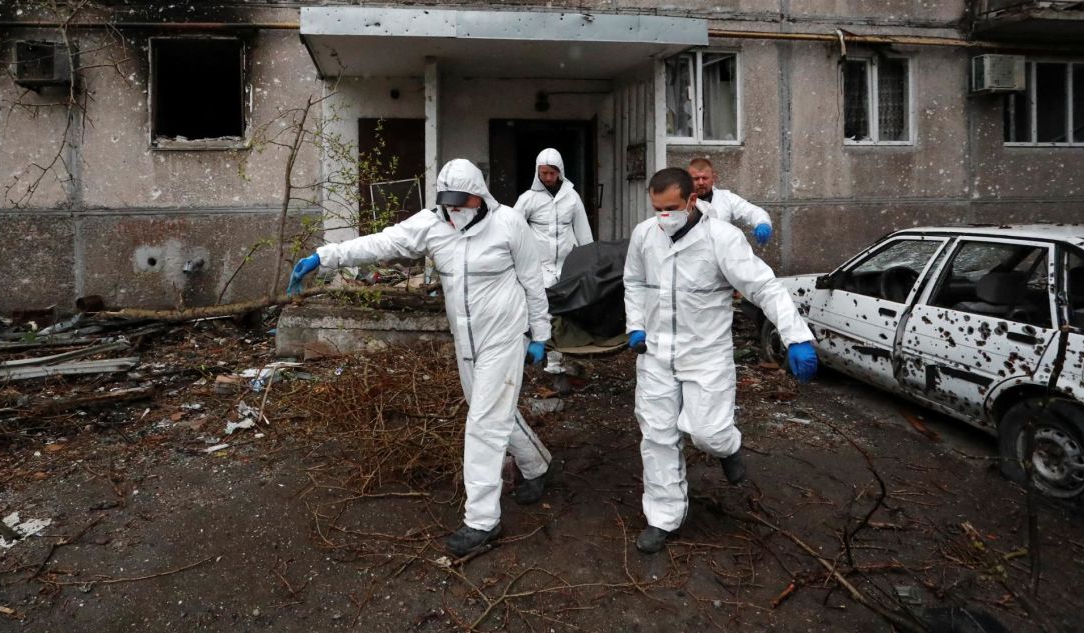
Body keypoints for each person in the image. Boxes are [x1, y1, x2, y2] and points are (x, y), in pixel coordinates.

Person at [287, 158, 557, 556]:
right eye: (448, 202)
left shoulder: (509, 224)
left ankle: (482, 522)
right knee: (491, 410)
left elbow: (533, 281)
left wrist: (541, 334)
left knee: (483, 423)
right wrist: (324, 256)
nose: (455, 210)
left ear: (480, 196)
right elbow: (381, 242)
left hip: (504, 334)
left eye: (462, 202)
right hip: (466, 340)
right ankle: (537, 466)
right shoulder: (432, 225)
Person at [623, 167, 818, 554]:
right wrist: (636, 325)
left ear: (692, 200)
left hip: (705, 354)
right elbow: (634, 280)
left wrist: (795, 336)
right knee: (657, 436)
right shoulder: (645, 236)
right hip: (657, 354)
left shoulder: (721, 239)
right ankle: (663, 517)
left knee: (707, 433)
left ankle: (727, 447)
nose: (664, 216)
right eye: (657, 208)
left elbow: (762, 286)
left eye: (672, 208)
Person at [513, 148, 594, 374]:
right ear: (537, 172)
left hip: (567, 267)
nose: (547, 178)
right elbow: (511, 231)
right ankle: (532, 361)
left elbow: (584, 232)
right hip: (538, 267)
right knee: (537, 311)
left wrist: (587, 262)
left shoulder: (572, 197)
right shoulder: (528, 199)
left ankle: (558, 362)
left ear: (560, 172)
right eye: (543, 173)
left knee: (562, 314)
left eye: (552, 173)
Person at [687, 157, 774, 248]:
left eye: (705, 178)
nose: (701, 182)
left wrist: (763, 223)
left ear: (713, 178)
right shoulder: (681, 201)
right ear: (688, 179)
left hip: (721, 256)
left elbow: (752, 211)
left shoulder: (726, 198)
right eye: (696, 179)